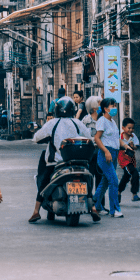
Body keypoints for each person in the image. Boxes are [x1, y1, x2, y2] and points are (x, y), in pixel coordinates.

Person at [28, 96, 100, 224]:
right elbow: (88, 138)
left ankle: (36, 211)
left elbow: (36, 138)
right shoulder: (77, 123)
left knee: (44, 181)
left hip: (56, 162)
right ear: (73, 109)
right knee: (88, 178)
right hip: (78, 161)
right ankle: (93, 208)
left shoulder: (52, 123)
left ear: (56, 110)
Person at [93, 97, 123, 218]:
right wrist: (106, 151)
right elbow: (97, 138)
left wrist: (125, 145)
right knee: (114, 180)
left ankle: (95, 205)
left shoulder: (113, 122)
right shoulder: (102, 121)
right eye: (112, 106)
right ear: (105, 108)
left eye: (115, 105)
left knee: (105, 182)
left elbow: (116, 139)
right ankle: (115, 209)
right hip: (106, 155)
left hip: (114, 153)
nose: (114, 108)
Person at [118, 117, 140, 202]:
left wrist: (132, 146)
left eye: (132, 128)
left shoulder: (133, 136)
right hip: (124, 160)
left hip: (131, 159)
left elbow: (136, 147)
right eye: (129, 128)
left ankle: (118, 192)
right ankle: (134, 194)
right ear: (123, 128)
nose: (131, 130)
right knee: (135, 173)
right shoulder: (119, 137)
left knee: (126, 176)